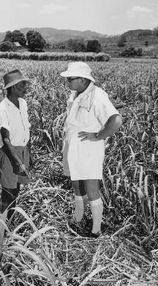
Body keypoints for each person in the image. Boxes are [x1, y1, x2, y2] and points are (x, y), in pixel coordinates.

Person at [60, 62, 122, 238]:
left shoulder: (98, 96)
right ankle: (78, 218)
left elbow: (116, 120)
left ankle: (96, 229)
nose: (67, 82)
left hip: (88, 149)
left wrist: (98, 135)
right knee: (76, 184)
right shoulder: (75, 94)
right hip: (72, 146)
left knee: (91, 187)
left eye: (70, 79)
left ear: (82, 79)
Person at [0, 69, 32, 221]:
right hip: (10, 154)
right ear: (14, 87)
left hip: (22, 151)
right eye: (23, 85)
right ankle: (3, 226)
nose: (26, 88)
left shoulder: (22, 103)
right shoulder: (1, 110)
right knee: (8, 191)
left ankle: (9, 221)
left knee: (15, 189)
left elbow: (25, 128)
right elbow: (6, 140)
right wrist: (17, 162)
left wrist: (28, 154)